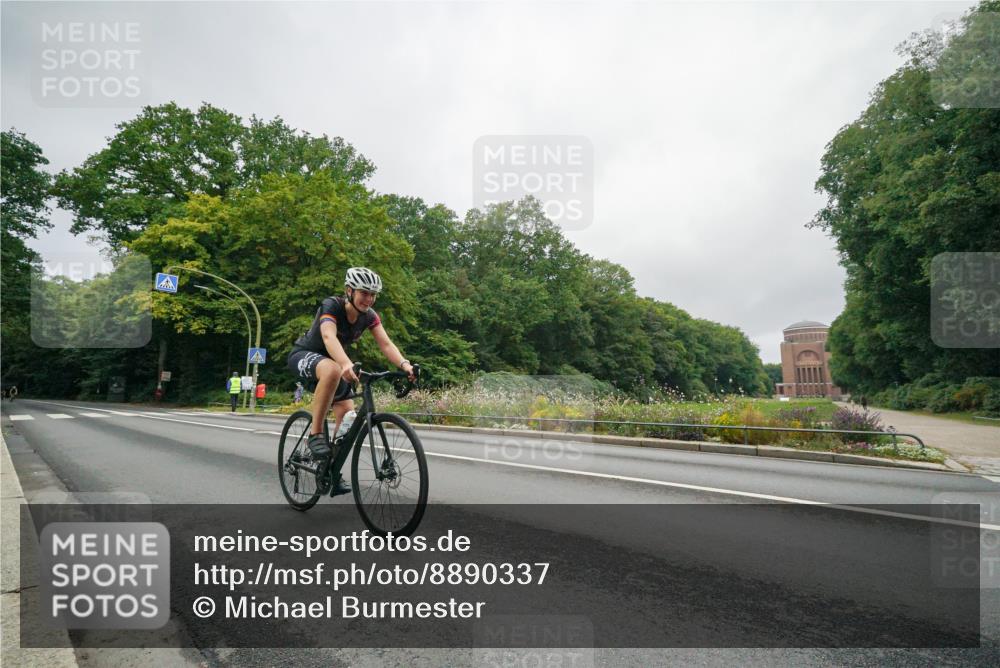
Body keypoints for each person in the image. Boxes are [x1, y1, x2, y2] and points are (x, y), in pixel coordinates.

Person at [287, 267, 415, 495]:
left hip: (334, 365)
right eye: (364, 293)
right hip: (304, 355)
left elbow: (386, 344)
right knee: (333, 369)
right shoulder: (332, 306)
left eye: (373, 294)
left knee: (347, 417)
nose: (369, 299)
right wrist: (345, 364)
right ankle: (315, 434)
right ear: (349, 291)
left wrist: (405, 365)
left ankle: (330, 472)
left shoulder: (369, 316)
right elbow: (328, 336)